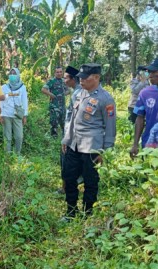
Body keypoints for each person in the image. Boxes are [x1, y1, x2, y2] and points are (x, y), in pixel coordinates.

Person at [61, 63, 116, 221]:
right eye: (80, 78)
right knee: (69, 177)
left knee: (90, 181)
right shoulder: (79, 94)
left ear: (97, 77)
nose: (82, 81)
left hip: (92, 147)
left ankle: (87, 213)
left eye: (85, 78)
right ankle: (71, 211)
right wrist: (66, 138)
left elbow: (110, 126)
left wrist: (105, 151)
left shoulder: (105, 98)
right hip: (74, 144)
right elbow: (72, 118)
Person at [130, 57, 158, 157]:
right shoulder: (145, 93)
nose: (150, 75)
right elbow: (139, 118)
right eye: (149, 72)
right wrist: (135, 144)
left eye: (154, 71)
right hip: (149, 147)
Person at [58, 66, 82, 194]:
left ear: (73, 79)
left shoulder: (77, 94)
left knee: (66, 160)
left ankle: (66, 187)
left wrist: (67, 137)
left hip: (72, 134)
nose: (64, 80)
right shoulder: (77, 91)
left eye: (66, 77)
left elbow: (73, 118)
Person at [0, 68, 28, 154]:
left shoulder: (22, 87)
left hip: (17, 115)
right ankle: (7, 155)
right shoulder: (4, 87)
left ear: (18, 75)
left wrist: (25, 115)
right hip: (6, 114)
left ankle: (17, 154)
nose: (12, 75)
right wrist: (0, 115)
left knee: (19, 136)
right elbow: (1, 101)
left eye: (14, 73)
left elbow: (24, 101)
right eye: (11, 73)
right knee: (7, 137)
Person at [42, 66, 68, 137]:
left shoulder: (64, 81)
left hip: (62, 106)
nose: (59, 73)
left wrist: (66, 93)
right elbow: (43, 89)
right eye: (57, 72)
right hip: (54, 106)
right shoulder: (52, 81)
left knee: (64, 124)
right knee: (54, 124)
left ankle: (64, 139)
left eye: (60, 72)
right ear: (55, 73)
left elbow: (69, 90)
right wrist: (51, 94)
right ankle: (54, 140)